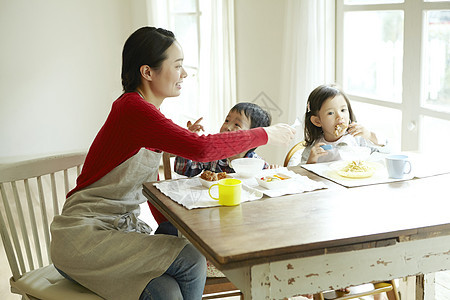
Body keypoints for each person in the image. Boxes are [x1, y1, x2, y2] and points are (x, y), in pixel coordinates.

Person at [49, 26, 295, 300]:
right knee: (190, 259)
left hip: (115, 232)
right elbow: (202, 149)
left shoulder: (144, 112)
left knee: (167, 292)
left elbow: (149, 188)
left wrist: (173, 226)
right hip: (84, 238)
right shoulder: (133, 109)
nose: (184, 74)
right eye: (177, 66)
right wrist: (264, 134)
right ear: (148, 72)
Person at [174, 102, 274, 177]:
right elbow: (183, 170)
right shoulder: (213, 156)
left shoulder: (257, 163)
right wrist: (188, 140)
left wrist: (273, 172)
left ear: (253, 138)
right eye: (227, 120)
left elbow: (268, 182)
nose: (228, 127)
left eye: (237, 124)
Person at [300, 84, 388, 165]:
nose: (339, 116)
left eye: (343, 110)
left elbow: (387, 153)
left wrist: (370, 135)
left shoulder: (357, 138)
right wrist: (311, 161)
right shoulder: (314, 147)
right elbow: (300, 174)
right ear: (317, 121)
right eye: (330, 113)